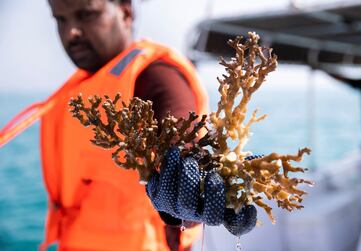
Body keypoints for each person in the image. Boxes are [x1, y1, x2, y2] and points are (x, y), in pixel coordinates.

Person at [0, 0, 256, 251]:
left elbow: (180, 133)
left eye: (87, 15)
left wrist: (185, 187)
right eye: (60, 19)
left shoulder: (157, 75)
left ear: (125, 12)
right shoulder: (82, 85)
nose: (72, 32)